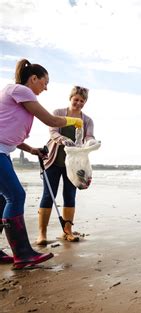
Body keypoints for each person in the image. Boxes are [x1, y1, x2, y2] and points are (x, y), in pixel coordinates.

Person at [0, 59, 83, 269]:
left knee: (2, 199)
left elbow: (10, 134)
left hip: (4, 151)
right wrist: (76, 121)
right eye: (44, 82)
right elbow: (51, 121)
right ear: (33, 78)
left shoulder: (17, 95)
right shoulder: (21, 90)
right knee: (16, 196)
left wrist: (31, 150)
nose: (45, 88)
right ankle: (23, 254)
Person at [36, 86, 95, 245]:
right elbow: (53, 132)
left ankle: (67, 231)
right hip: (54, 160)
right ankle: (42, 233)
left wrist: (91, 142)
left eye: (82, 101)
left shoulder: (87, 120)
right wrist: (63, 139)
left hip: (73, 166)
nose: (78, 103)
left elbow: (89, 136)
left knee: (70, 195)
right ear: (70, 98)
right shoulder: (58, 112)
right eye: (76, 99)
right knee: (49, 195)